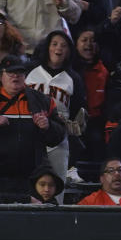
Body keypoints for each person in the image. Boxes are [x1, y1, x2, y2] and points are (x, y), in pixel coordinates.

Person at [0, 54, 65, 203]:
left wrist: (48, 126)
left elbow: (58, 136)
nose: (15, 77)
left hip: (30, 177)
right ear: (1, 76)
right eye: (10, 73)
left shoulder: (42, 101)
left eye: (19, 73)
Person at [26, 29, 86, 183]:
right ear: (47, 47)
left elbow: (76, 110)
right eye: (54, 44)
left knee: (57, 182)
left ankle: (70, 168)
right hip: (28, 126)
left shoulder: (74, 78)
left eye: (64, 45)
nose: (59, 48)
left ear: (69, 51)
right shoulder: (29, 70)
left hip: (58, 131)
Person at [70, 25, 107, 161]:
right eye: (84, 40)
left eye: (93, 40)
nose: (89, 44)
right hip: (73, 122)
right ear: (76, 44)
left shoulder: (103, 71)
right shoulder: (70, 70)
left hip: (96, 122)